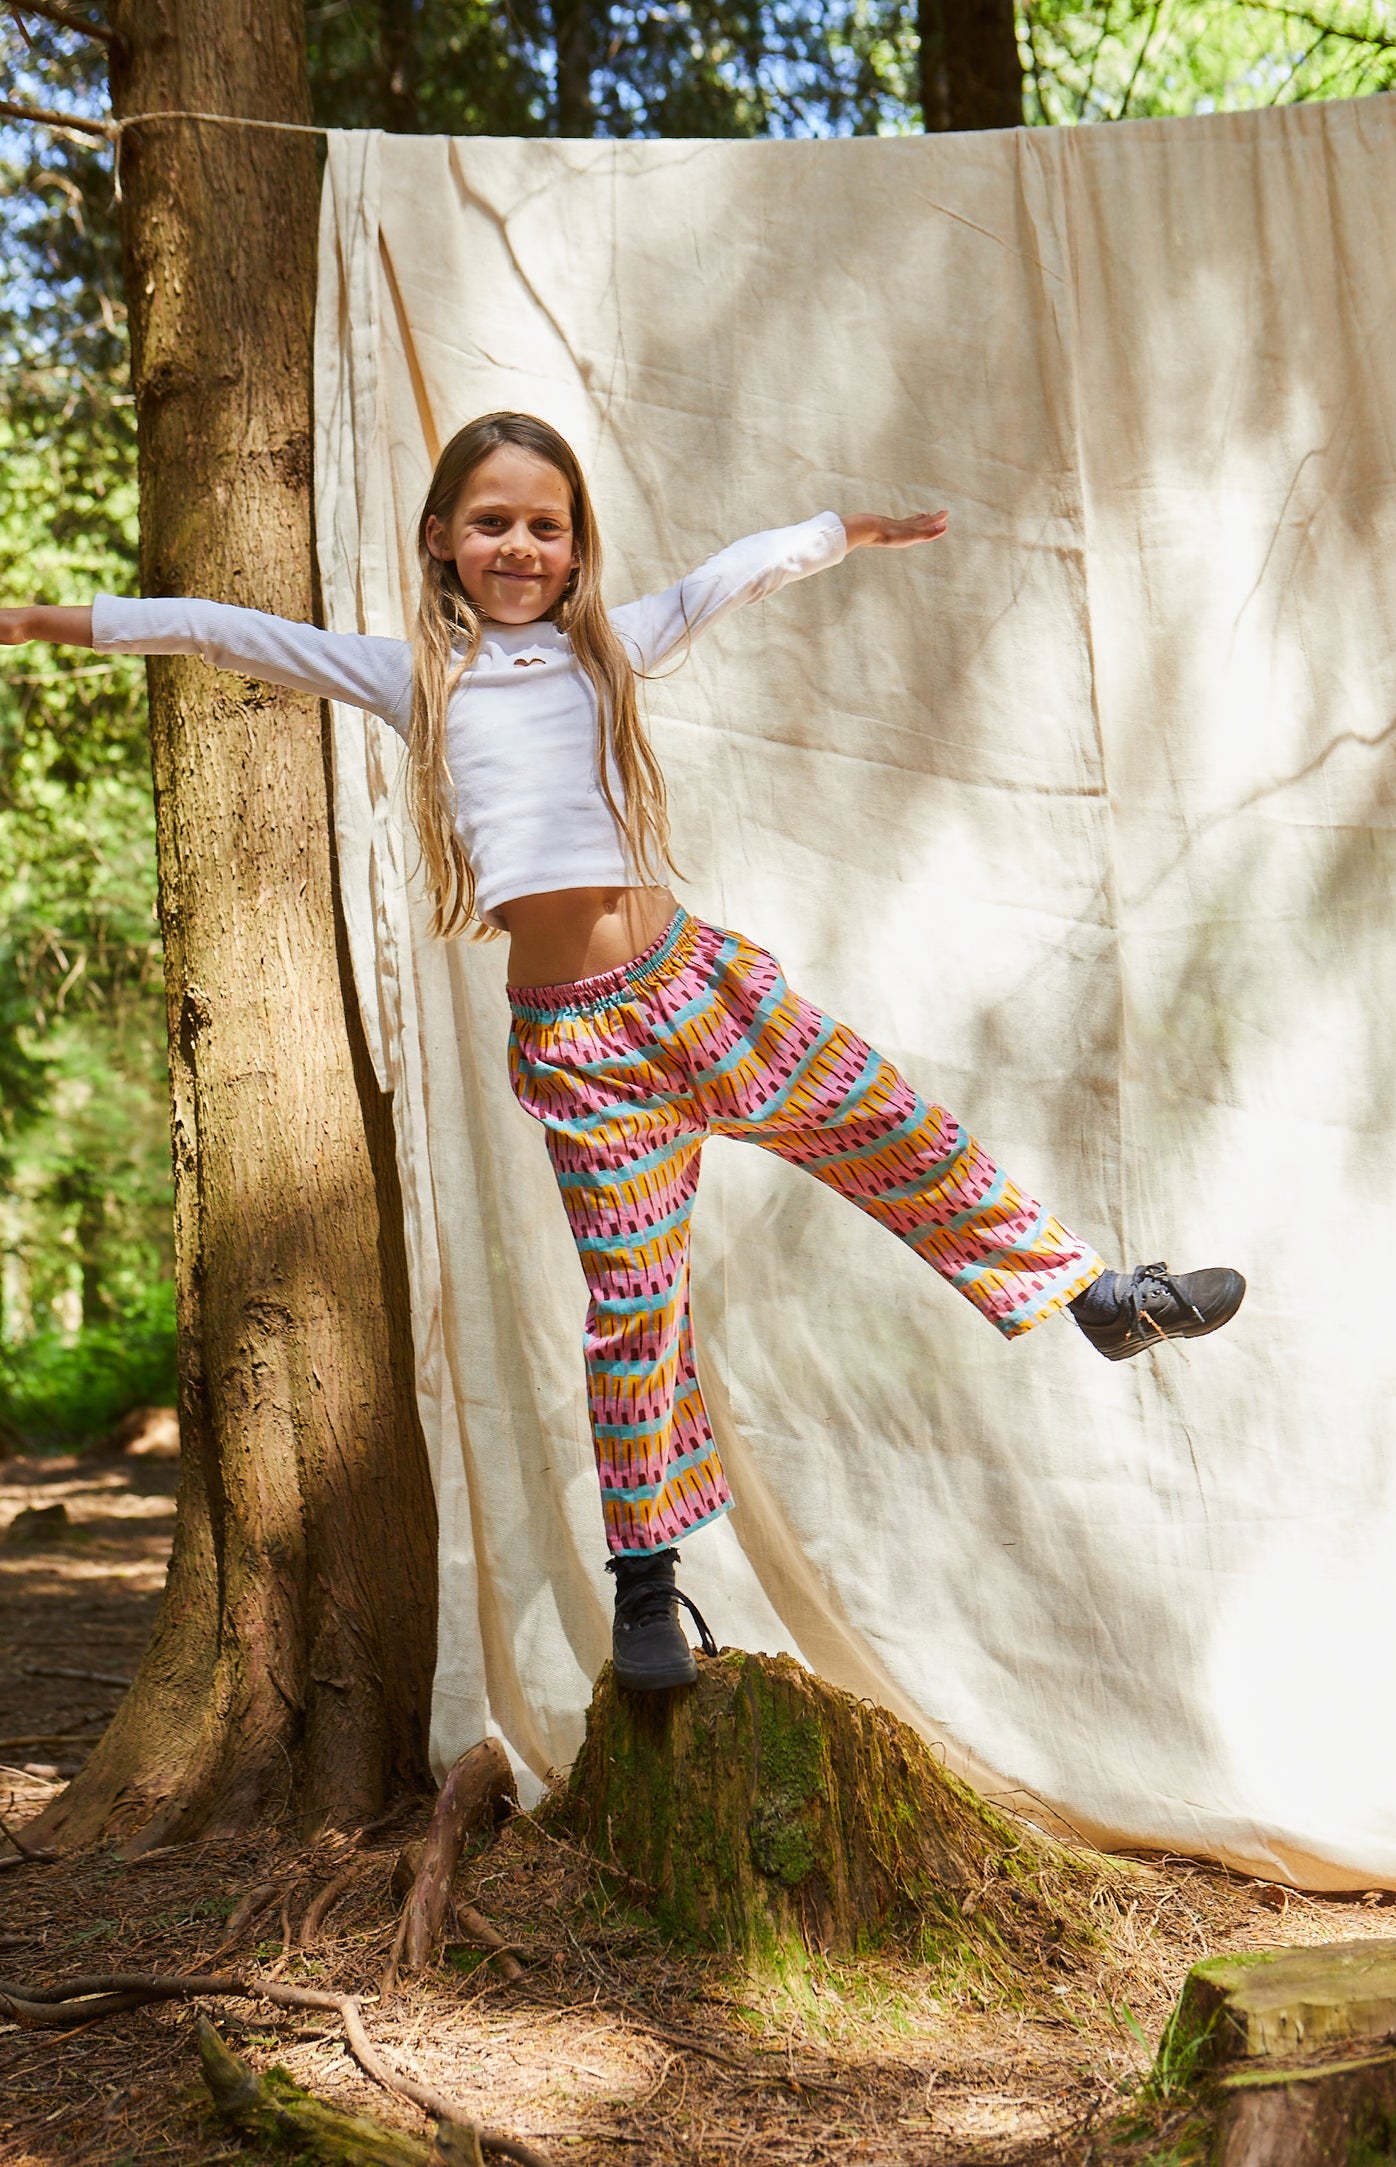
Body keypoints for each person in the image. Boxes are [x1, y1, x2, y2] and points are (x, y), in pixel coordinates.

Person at [0, 411, 1245, 1693]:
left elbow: (726, 577)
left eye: (547, 524)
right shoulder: (411, 678)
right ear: (440, 541)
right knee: (631, 1310)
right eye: (491, 521)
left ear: (577, 545)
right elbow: (226, 631)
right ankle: (646, 1584)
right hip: (582, 1052)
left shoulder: (609, 650)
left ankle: (1092, 1296)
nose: (519, 545)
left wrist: (841, 534)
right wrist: (47, 622)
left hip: (695, 988)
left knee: (892, 1124)